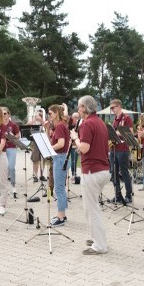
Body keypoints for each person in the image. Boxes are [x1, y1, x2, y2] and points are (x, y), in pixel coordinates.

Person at [70, 95, 110, 255]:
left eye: (79, 106)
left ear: (85, 108)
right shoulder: (100, 122)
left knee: (91, 209)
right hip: (103, 170)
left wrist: (75, 138)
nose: (78, 109)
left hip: (92, 171)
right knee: (93, 207)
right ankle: (97, 238)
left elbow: (85, 148)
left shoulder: (87, 124)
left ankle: (100, 245)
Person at [48, 104, 70, 226]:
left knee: (59, 189)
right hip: (59, 158)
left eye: (50, 113)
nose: (49, 115)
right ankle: (62, 214)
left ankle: (61, 216)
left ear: (56, 113)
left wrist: (49, 149)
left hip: (61, 158)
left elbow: (61, 144)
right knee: (59, 187)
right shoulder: (58, 126)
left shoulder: (61, 125)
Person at [109, 99, 134, 203]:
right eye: (111, 108)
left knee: (124, 173)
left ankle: (129, 195)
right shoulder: (115, 119)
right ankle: (118, 194)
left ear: (119, 106)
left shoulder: (126, 118)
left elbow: (130, 133)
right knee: (113, 173)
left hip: (123, 149)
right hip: (114, 148)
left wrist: (117, 132)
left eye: (113, 107)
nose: (112, 110)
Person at [1, 107, 20, 198]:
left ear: (9, 114)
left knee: (11, 167)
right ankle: (3, 188)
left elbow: (18, 136)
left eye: (5, 113)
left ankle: (13, 186)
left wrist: (13, 136)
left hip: (11, 147)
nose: (3, 115)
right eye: (2, 113)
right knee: (2, 169)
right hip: (1, 148)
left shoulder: (13, 125)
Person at [27, 109, 47, 183]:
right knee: (35, 159)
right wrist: (32, 121)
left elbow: (47, 126)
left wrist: (41, 120)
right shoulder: (33, 119)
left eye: (41, 113)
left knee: (43, 159)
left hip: (44, 140)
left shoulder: (44, 119)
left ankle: (42, 174)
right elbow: (26, 127)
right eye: (38, 113)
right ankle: (35, 175)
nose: (39, 114)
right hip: (35, 140)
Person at [69, 112, 80, 182]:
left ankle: (74, 174)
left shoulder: (80, 125)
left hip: (76, 145)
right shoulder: (70, 125)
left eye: (78, 117)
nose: (76, 119)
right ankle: (72, 174)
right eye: (75, 117)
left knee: (75, 160)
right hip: (70, 145)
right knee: (71, 160)